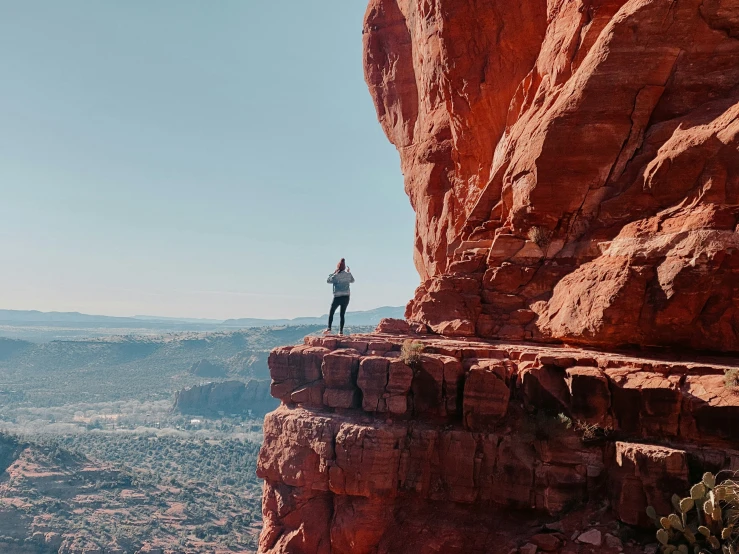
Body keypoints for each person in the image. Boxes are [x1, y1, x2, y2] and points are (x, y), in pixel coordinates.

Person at [324, 258, 354, 335]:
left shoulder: (336, 276)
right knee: (342, 314)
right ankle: (340, 331)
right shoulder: (348, 275)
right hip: (346, 297)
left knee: (332, 312)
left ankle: (329, 328)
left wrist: (333, 273)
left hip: (337, 297)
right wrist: (349, 273)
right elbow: (352, 281)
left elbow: (328, 280)